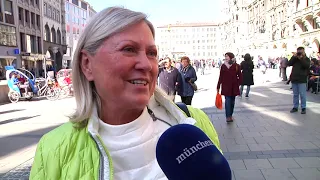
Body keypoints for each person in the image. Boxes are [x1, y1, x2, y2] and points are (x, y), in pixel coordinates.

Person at [29, 7, 220, 180]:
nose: (146, 64)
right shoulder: (53, 150)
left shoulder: (195, 122)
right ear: (87, 64)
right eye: (129, 49)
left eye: (151, 53)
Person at [217, 52, 243, 122]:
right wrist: (218, 85)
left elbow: (240, 76)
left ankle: (230, 114)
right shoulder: (223, 66)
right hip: (226, 86)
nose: (226, 57)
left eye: (227, 56)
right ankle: (228, 116)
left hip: (234, 86)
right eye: (225, 56)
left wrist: (238, 83)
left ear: (231, 57)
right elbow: (221, 76)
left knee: (232, 102)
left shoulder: (236, 65)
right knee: (227, 101)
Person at [288, 47, 310, 114]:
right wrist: (293, 57)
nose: (300, 53)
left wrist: (301, 59)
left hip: (302, 79)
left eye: (301, 52)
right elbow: (289, 63)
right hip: (294, 79)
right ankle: (295, 107)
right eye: (298, 52)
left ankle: (303, 108)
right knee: (295, 94)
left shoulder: (306, 59)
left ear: (304, 52)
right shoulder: (295, 59)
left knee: (302, 94)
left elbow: (306, 66)